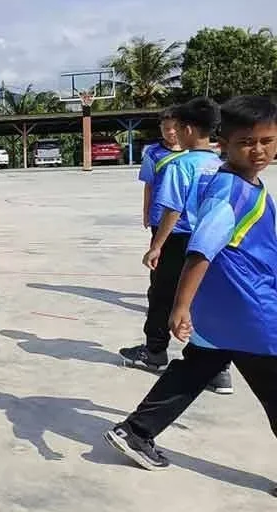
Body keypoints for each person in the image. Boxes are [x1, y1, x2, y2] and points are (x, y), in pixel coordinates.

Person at [104, 95, 277, 480]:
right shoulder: (230, 192)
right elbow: (201, 250)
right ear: (224, 144)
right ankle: (137, 431)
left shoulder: (246, 184)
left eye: (267, 141)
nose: (258, 150)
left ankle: (136, 431)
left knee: (197, 367)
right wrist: (181, 307)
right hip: (250, 309)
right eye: (246, 142)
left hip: (230, 307)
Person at [120, 97, 232, 394]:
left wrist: (157, 245)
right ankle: (218, 369)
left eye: (178, 128)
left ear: (189, 130)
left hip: (179, 239)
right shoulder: (223, 165)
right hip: (213, 240)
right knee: (206, 300)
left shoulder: (179, 165)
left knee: (162, 295)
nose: (174, 133)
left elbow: (173, 209)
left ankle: (154, 351)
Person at [139, 105, 183, 231]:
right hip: (159, 216)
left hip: (187, 220)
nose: (171, 132)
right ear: (161, 129)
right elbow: (149, 185)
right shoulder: (152, 152)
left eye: (175, 128)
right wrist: (146, 213)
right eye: (166, 129)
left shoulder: (192, 151)